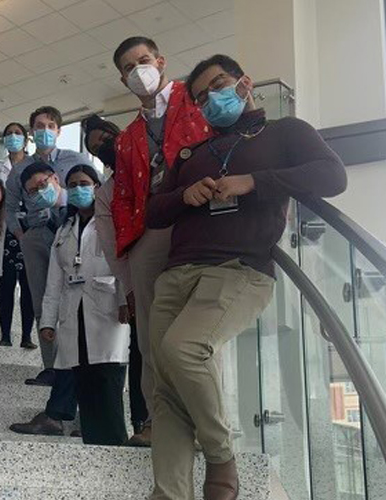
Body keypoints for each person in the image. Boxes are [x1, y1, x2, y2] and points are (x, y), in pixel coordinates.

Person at [147, 54, 346, 500]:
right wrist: (184, 195)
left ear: (245, 82)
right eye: (202, 97)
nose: (211, 99)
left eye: (219, 84)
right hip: (177, 273)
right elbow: (154, 213)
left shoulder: (285, 132)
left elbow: (332, 176)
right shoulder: (192, 153)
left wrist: (253, 181)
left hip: (240, 269)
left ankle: (221, 456)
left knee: (185, 349)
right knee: (167, 393)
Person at [110, 36, 213, 446]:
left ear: (161, 61)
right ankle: (158, 421)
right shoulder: (126, 137)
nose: (139, 70)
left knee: (197, 331)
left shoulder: (196, 100)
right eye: (129, 67)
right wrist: (131, 245)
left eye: (144, 60)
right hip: (150, 229)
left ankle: (207, 424)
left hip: (199, 219)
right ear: (123, 80)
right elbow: (122, 195)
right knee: (152, 335)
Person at [39, 164, 130, 446]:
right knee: (83, 379)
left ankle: (115, 444)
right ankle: (92, 441)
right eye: (73, 185)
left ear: (98, 187)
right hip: (73, 311)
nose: (79, 189)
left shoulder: (112, 222)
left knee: (108, 380)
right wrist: (47, 321)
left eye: (84, 183)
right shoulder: (64, 230)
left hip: (108, 310)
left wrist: (126, 299)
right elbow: (54, 280)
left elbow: (125, 264)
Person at [5, 106, 93, 387]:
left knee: (77, 295)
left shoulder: (76, 159)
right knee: (41, 298)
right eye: (39, 126)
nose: (45, 130)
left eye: (51, 125)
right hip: (38, 236)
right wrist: (22, 234)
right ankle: (50, 366)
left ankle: (76, 364)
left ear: (59, 130)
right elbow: (9, 207)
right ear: (32, 131)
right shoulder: (19, 169)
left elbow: (94, 190)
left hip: (71, 232)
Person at [82, 114, 148, 437]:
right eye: (97, 148)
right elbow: (114, 250)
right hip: (137, 275)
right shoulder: (107, 193)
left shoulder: (151, 166)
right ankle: (142, 422)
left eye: (106, 139)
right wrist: (129, 291)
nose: (104, 147)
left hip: (172, 262)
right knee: (142, 351)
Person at [9, 163, 79, 436]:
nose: (40, 192)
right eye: (33, 191)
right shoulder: (39, 233)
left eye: (43, 184)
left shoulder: (88, 213)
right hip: (61, 304)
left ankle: (81, 418)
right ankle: (58, 412)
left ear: (55, 178)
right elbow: (44, 295)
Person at [0, 123, 35, 348]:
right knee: (6, 285)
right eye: (9, 133)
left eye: (18, 133)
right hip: (5, 232)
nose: (13, 137)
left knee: (29, 286)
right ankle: (5, 335)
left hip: (29, 231)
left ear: (26, 139)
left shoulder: (34, 166)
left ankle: (27, 336)